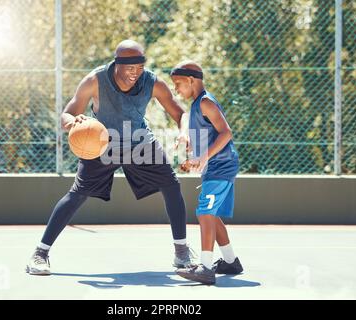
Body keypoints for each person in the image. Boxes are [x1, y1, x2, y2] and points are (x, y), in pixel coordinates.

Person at [26, 40, 194, 275]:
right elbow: (67, 113)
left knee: (172, 186)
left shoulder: (152, 82)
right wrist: (73, 122)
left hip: (139, 142)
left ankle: (181, 252)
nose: (135, 73)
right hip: (101, 145)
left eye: (139, 66)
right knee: (77, 194)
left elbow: (180, 113)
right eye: (129, 67)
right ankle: (40, 254)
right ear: (117, 64)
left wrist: (184, 133)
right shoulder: (95, 80)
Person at [170, 61, 243, 285]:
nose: (176, 89)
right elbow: (206, 133)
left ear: (192, 80)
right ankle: (230, 262)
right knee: (211, 214)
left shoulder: (206, 102)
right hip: (214, 167)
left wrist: (204, 157)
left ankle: (206, 267)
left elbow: (226, 133)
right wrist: (192, 147)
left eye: (178, 84)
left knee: (204, 212)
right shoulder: (196, 106)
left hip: (221, 166)